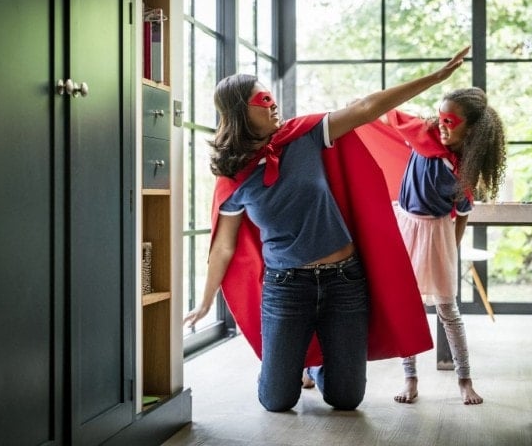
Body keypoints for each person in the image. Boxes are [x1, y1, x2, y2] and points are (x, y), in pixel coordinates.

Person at [182, 46, 472, 413]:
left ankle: (316, 365)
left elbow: (367, 108)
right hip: (287, 288)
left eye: (271, 96)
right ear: (240, 110)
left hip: (344, 282)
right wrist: (207, 301)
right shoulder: (234, 176)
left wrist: (434, 78)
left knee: (346, 398)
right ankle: (292, 367)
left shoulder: (303, 136)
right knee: (277, 400)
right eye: (263, 99)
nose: (273, 104)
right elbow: (223, 248)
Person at [357, 87, 507, 405]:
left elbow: (463, 212)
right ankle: (410, 378)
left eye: (450, 121)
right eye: (440, 117)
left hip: (438, 232)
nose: (441, 125)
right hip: (406, 224)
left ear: (472, 129)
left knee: (447, 310)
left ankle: (464, 379)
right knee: (404, 305)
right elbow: (391, 116)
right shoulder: (425, 134)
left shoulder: (465, 167)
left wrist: (451, 247)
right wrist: (359, 108)